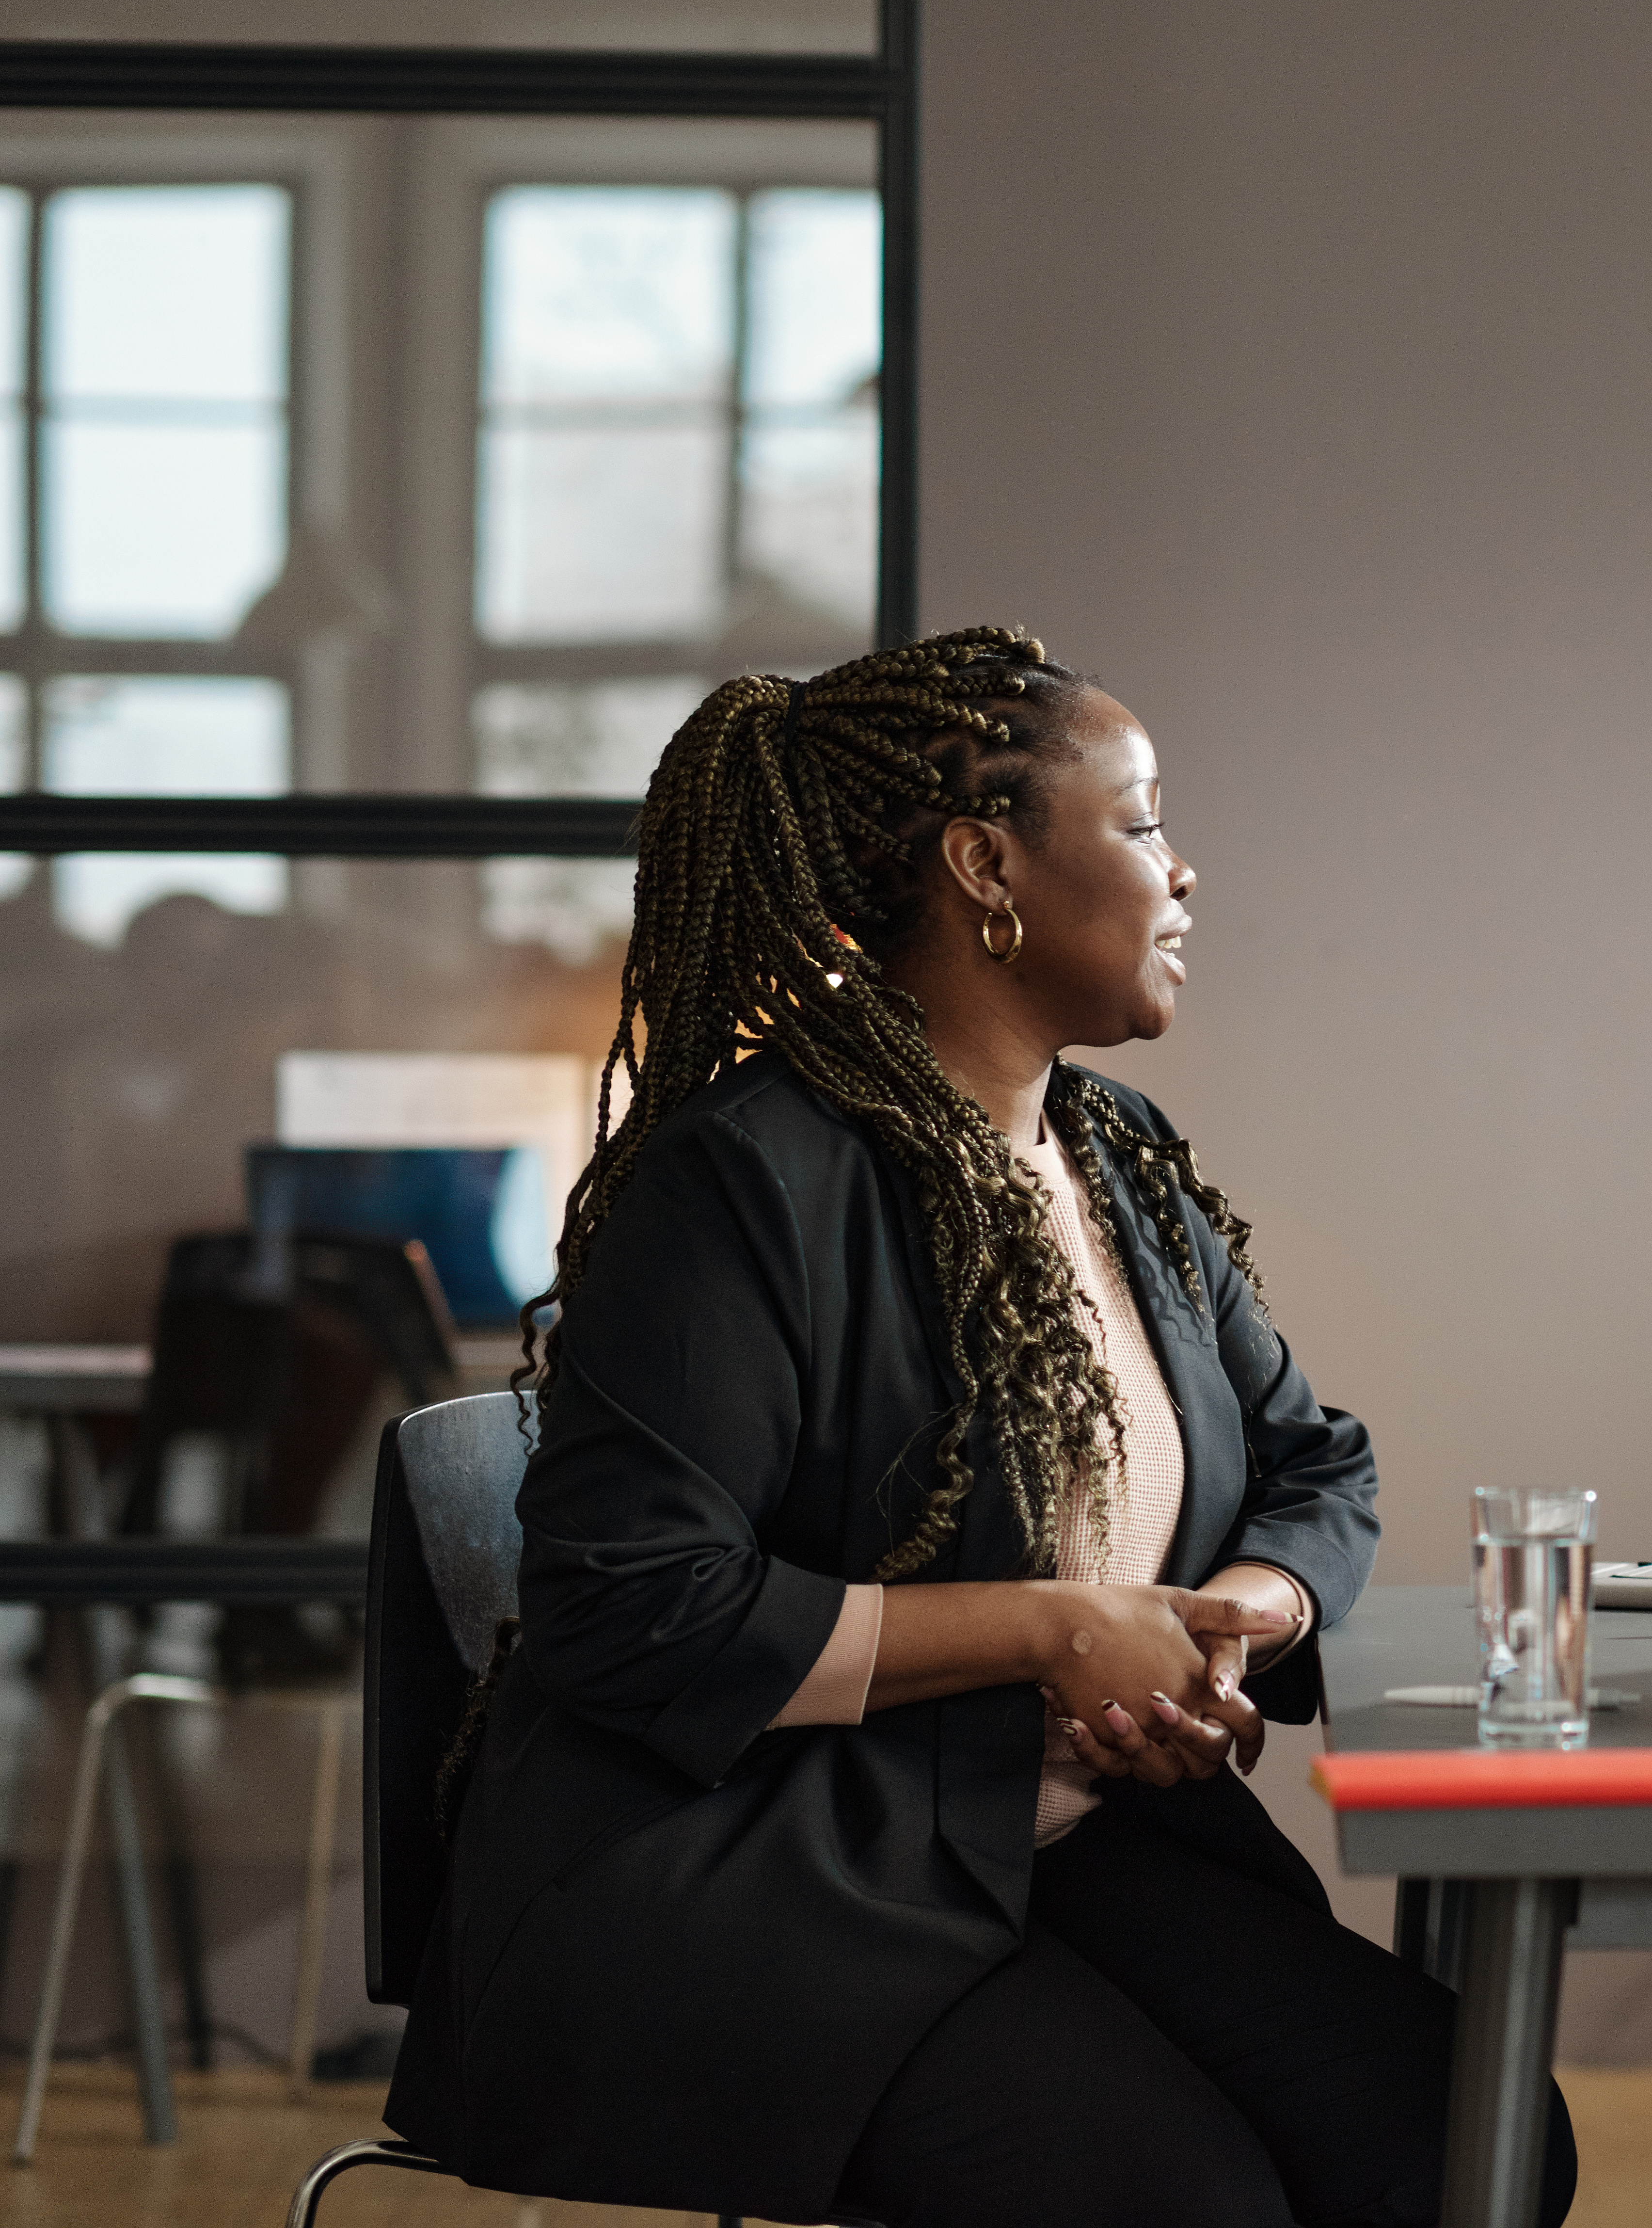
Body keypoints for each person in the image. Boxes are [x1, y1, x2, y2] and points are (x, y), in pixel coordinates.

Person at [384, 630, 1575, 2228]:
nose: (1184, 871)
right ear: (985, 865)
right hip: (767, 1879)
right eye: (1143, 822)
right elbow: (632, 1610)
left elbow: (1314, 1462)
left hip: (1058, 1840)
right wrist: (1054, 1630)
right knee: (1185, 2206)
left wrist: (1242, 1621)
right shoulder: (743, 1184)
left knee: (1467, 2141)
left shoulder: (1121, 1161)